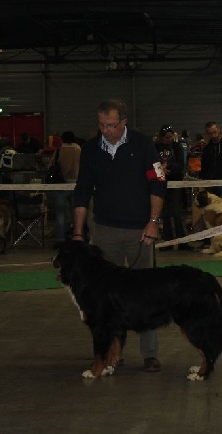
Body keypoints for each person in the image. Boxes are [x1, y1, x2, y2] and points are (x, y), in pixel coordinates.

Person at [72, 99, 166, 372]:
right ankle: (111, 354)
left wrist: (153, 222)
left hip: (140, 232)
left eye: (111, 125)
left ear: (123, 122)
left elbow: (158, 182)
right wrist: (78, 232)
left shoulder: (143, 144)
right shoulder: (89, 150)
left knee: (144, 294)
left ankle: (150, 353)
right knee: (104, 300)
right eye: (101, 125)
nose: (105, 130)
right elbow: (82, 191)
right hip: (104, 232)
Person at [155, 124, 192, 251]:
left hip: (176, 183)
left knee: (177, 213)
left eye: (171, 137)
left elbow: (181, 164)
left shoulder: (177, 146)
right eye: (166, 137)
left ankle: (182, 241)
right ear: (161, 137)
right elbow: (152, 164)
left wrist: (168, 166)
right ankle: (168, 241)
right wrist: (161, 169)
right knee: (165, 214)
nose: (169, 139)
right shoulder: (155, 147)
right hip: (161, 184)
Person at [47, 130, 80, 248]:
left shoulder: (59, 150)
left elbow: (50, 166)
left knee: (60, 214)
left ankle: (60, 239)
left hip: (61, 185)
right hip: (76, 185)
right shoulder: (78, 150)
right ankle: (77, 236)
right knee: (77, 213)